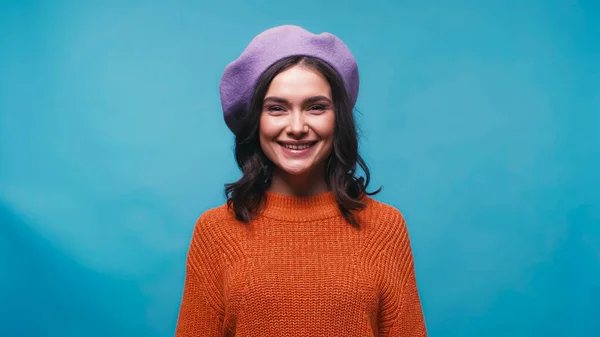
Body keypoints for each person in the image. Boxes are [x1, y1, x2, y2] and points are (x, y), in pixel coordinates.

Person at [175, 24, 427, 336]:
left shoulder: (385, 227)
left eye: (316, 107)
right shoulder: (215, 232)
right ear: (256, 120)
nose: (297, 127)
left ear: (339, 118)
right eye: (277, 108)